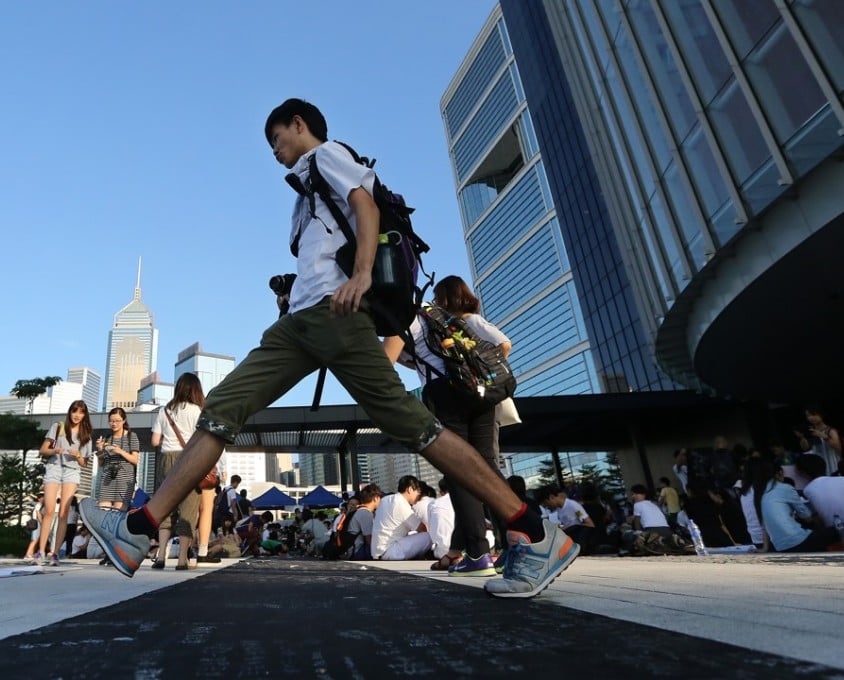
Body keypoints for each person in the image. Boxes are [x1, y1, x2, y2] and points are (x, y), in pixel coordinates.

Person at [79, 97, 578, 599]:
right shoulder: (305, 194)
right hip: (299, 325)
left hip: (337, 318)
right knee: (223, 408)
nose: (274, 150)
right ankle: (139, 531)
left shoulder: (328, 155)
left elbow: (366, 205)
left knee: (414, 425)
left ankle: (533, 530)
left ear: (299, 125)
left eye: (277, 138)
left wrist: (361, 274)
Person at [384, 275, 510, 576]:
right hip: (481, 391)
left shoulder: (401, 315)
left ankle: (479, 554)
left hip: (447, 393)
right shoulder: (448, 318)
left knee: (459, 471)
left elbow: (384, 361)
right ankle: (516, 543)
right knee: (487, 467)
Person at [150, 373, 204, 571]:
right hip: (189, 459)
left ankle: (161, 555)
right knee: (188, 508)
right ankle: (182, 559)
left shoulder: (164, 411)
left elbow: (155, 441)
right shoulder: (197, 411)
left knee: (166, 507)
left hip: (167, 460)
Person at [33, 400, 92, 566]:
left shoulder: (86, 434)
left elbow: (85, 463)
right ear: (70, 412)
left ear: (84, 415)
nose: (77, 415)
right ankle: (41, 551)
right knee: (49, 510)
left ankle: (54, 553)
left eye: (81, 412)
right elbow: (43, 450)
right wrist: (55, 450)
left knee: (64, 513)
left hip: (72, 472)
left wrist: (78, 456)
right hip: (54, 468)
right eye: (75, 411)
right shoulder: (58, 427)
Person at [754, 458, 837, 552]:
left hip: (780, 547)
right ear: (780, 473)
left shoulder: (761, 494)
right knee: (838, 530)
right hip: (798, 541)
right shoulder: (785, 487)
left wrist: (765, 548)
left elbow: (765, 525)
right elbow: (807, 517)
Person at [371, 476, 432, 562]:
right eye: (417, 491)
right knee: (429, 536)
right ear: (410, 489)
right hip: (391, 551)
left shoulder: (385, 499)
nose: (418, 495)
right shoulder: (401, 504)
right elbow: (423, 528)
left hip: (378, 552)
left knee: (413, 533)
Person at [95, 407, 140, 510]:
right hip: (107, 479)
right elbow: (101, 463)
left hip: (124, 481)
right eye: (111, 421)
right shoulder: (107, 438)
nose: (114, 424)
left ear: (124, 420)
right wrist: (100, 450)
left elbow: (135, 459)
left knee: (118, 514)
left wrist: (120, 451)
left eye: (117, 421)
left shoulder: (131, 436)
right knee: (102, 512)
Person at [795, 454, 844, 531]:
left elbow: (811, 518)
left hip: (837, 532)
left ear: (802, 473)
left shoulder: (808, 490)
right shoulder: (842, 479)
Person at [795, 406, 842, 477]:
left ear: (821, 415)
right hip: (819, 469)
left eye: (814, 414)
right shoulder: (811, 431)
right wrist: (802, 437)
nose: (811, 418)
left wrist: (824, 436)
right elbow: (805, 448)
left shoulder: (830, 430)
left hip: (833, 465)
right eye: (808, 416)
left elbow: (839, 448)